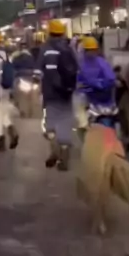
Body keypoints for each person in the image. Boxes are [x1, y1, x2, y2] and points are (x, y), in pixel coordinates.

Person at [38, 20, 78, 172]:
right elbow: (77, 69)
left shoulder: (45, 49)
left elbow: (38, 71)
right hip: (67, 93)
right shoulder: (69, 49)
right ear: (62, 33)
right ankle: (65, 155)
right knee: (65, 124)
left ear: (49, 32)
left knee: (50, 124)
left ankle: (54, 148)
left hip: (50, 94)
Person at [75, 36, 116, 136]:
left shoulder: (90, 64)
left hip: (100, 100)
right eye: (90, 50)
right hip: (95, 100)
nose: (91, 53)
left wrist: (97, 84)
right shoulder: (100, 63)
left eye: (92, 50)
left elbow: (111, 79)